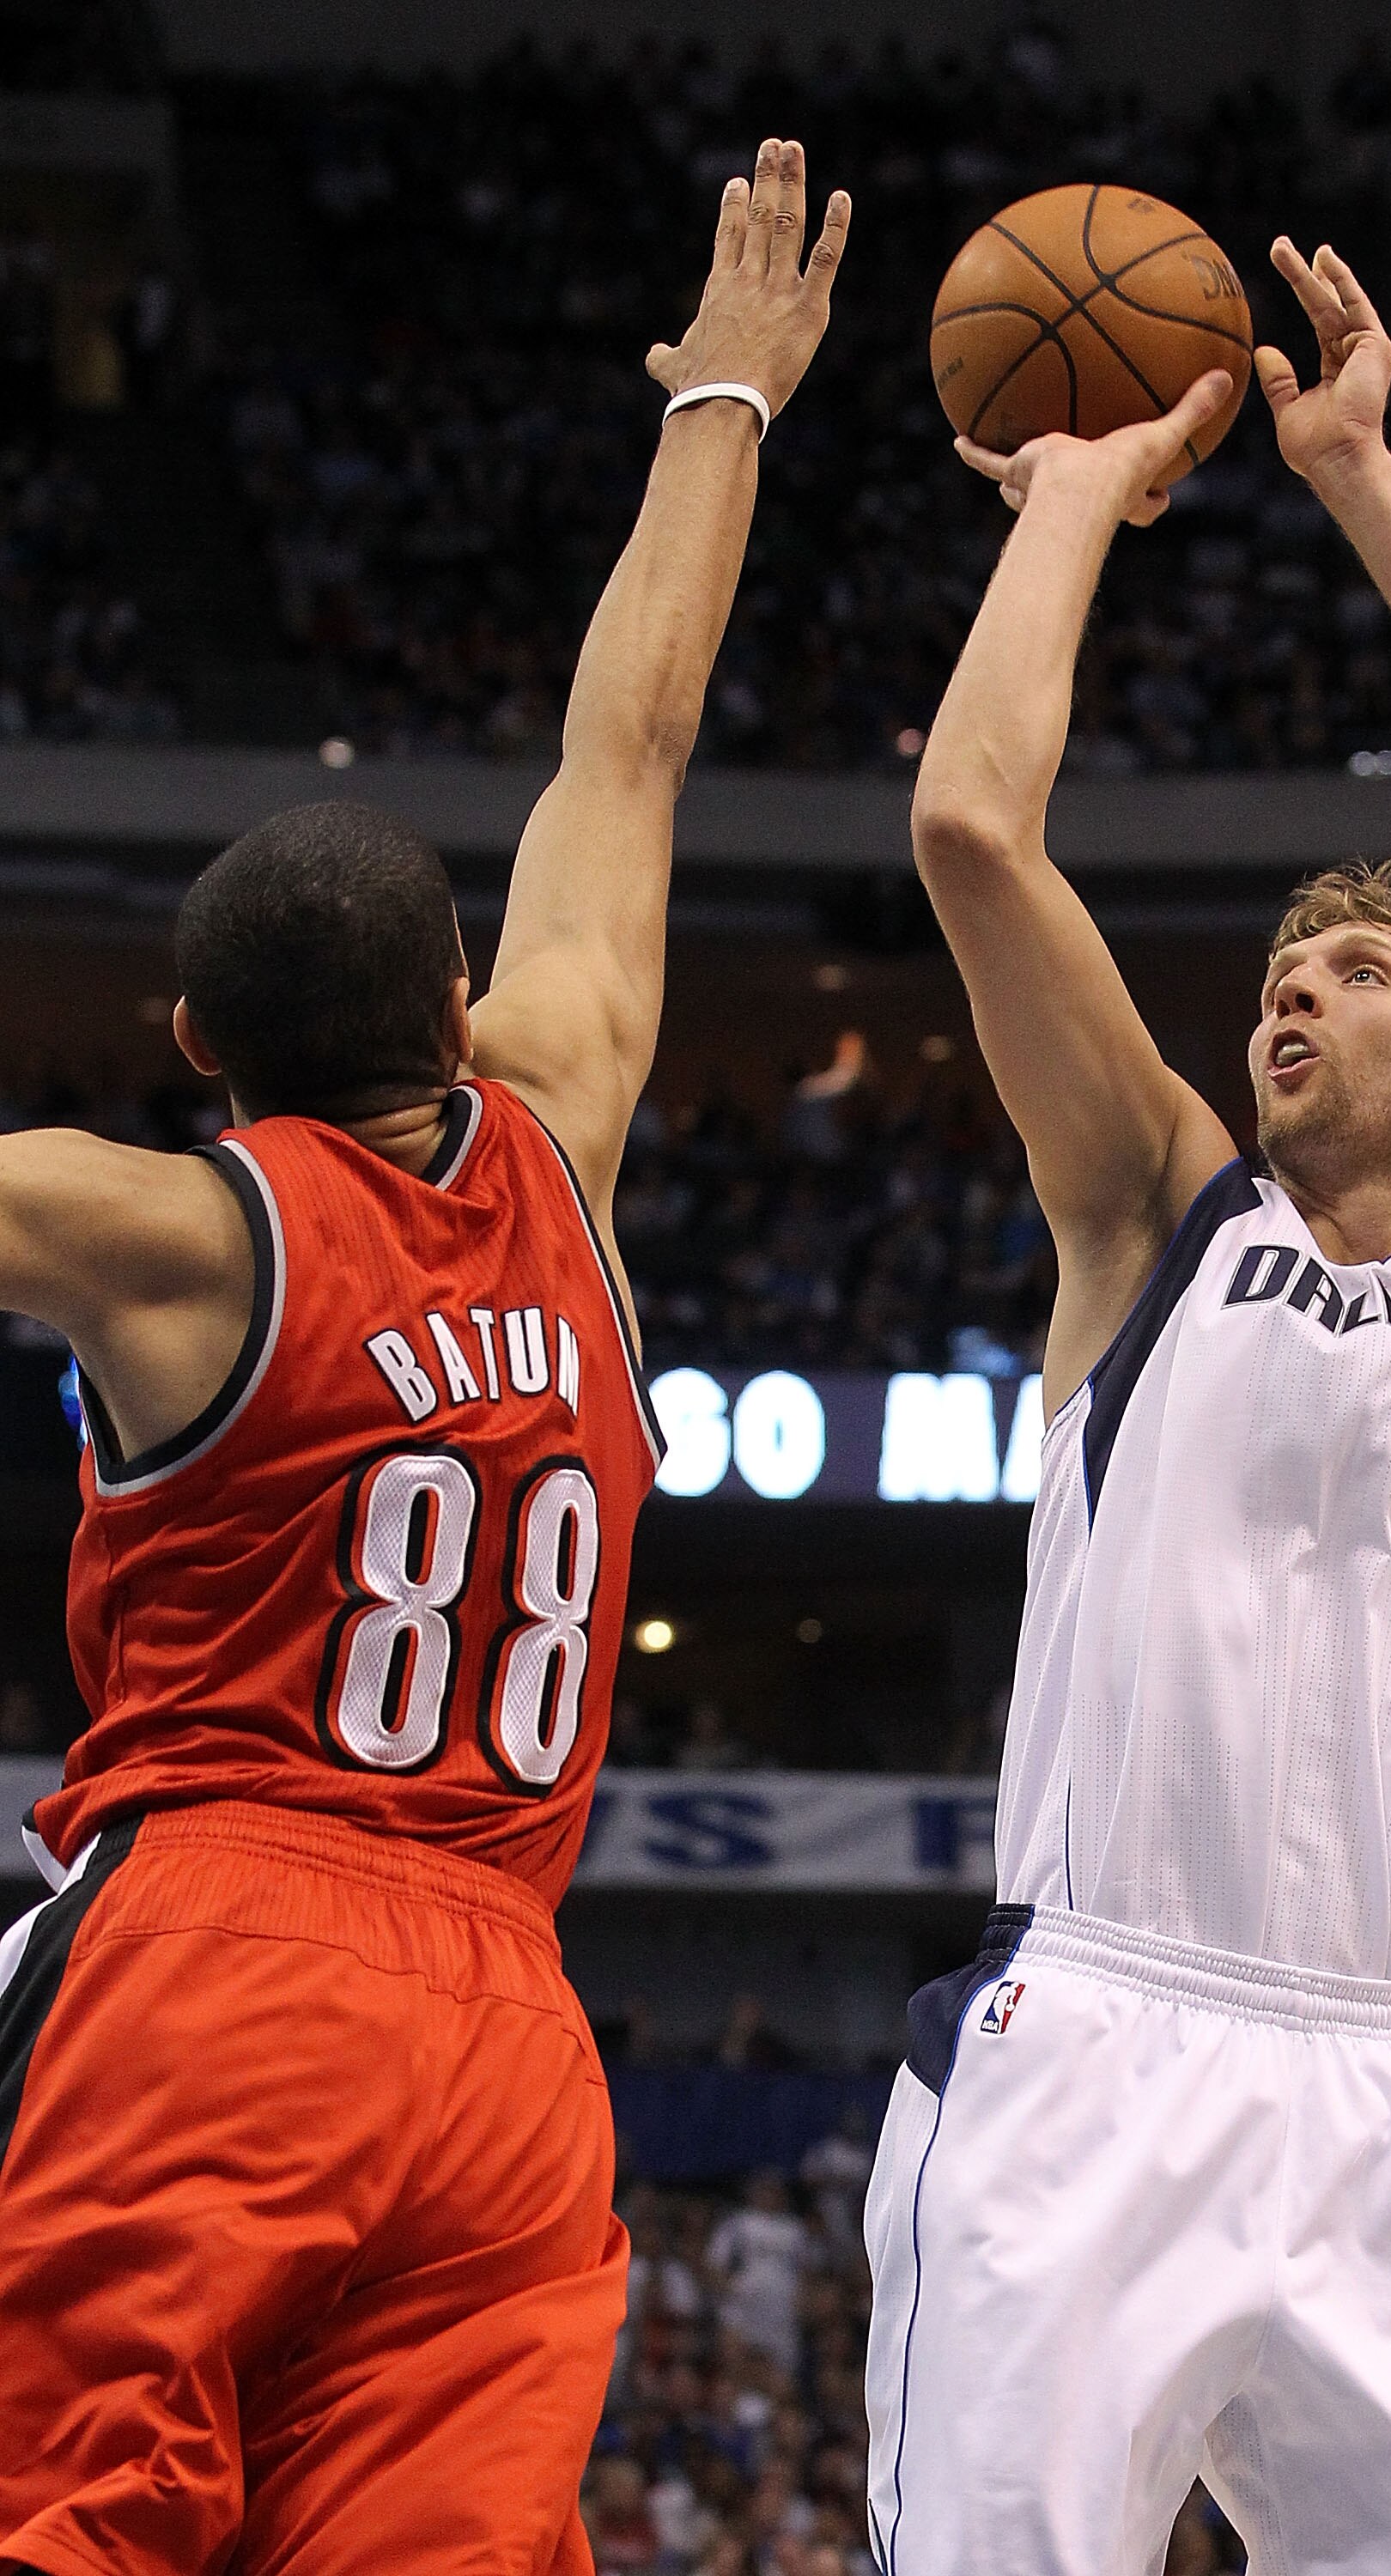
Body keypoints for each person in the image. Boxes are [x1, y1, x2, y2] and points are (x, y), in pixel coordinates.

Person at [0, 138, 850, 2573]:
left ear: (187, 1040)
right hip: (507, 2028)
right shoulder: (561, 1136)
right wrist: (721, 396)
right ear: (462, 996)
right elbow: (633, 750)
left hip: (224, 1952)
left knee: (75, 2521)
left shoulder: (163, 1227)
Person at [866, 236, 1391, 2574]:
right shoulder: (1155, 1217)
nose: (1290, 1003)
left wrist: (1356, 475)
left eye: (1353, 976)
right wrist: (1069, 497)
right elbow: (972, 835)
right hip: (1100, 2038)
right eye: (1277, 981)